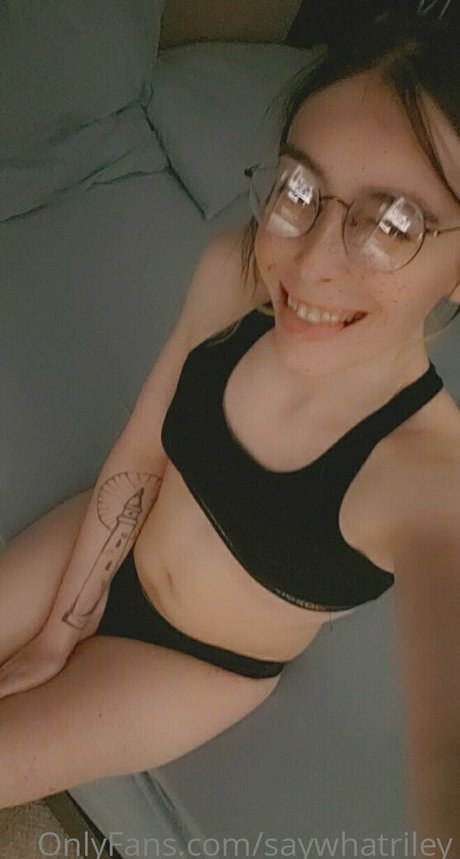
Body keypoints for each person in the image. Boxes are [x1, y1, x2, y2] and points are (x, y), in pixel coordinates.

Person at [0, 10, 459, 850]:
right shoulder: (232, 273)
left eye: (393, 224)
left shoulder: (428, 474)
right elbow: (142, 449)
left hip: (195, 665)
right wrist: (63, 624)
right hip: (111, 528)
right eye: (299, 191)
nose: (311, 262)